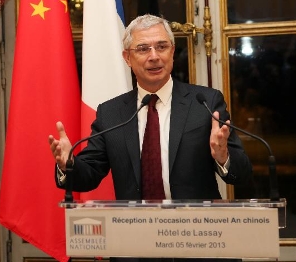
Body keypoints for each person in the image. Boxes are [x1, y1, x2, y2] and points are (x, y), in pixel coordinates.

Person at [49, 14, 252, 262]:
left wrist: (224, 157)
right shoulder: (111, 113)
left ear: (172, 51)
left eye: (162, 46)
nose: (154, 56)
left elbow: (241, 173)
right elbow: (89, 175)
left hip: (200, 241)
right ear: (127, 58)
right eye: (143, 49)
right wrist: (67, 164)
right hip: (134, 245)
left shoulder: (205, 103)